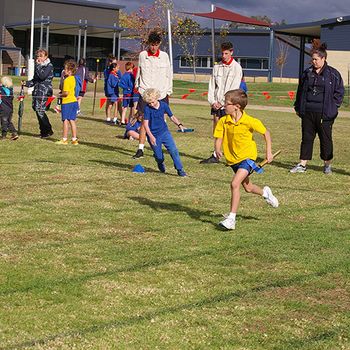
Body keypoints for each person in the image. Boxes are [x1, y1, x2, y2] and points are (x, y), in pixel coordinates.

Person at [214, 89, 279, 230]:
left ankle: (231, 219)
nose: (224, 106)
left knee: (234, 184)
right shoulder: (223, 121)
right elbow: (219, 137)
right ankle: (266, 193)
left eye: (227, 103)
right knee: (248, 188)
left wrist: (269, 152)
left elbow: (266, 133)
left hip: (248, 158)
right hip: (232, 160)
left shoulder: (250, 121)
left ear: (237, 106)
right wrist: (217, 149)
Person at [290, 42, 344, 174]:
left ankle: (327, 165)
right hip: (308, 112)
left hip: (325, 114)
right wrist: (298, 107)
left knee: (325, 139)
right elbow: (300, 90)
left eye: (316, 59)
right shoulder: (307, 73)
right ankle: (302, 165)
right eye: (312, 59)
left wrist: (333, 107)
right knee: (307, 138)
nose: (313, 62)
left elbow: (339, 92)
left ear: (323, 59)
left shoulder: (333, 74)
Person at [133, 30, 173, 159]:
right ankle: (140, 149)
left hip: (160, 94)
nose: (153, 47)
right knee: (144, 120)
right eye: (152, 44)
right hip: (145, 92)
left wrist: (168, 91)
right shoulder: (143, 55)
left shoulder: (165, 56)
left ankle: (159, 148)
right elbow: (139, 72)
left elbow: (168, 74)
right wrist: (138, 87)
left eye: (156, 44)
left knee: (161, 120)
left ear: (159, 44)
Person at [201, 42, 243, 164]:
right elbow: (211, 85)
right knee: (217, 129)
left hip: (229, 105)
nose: (224, 56)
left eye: (226, 53)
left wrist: (223, 103)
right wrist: (213, 101)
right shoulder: (216, 67)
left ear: (231, 52)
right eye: (222, 53)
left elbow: (234, 88)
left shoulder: (236, 68)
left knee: (231, 130)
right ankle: (216, 154)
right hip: (216, 104)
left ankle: (235, 156)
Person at [142, 88, 187, 177]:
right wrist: (151, 137)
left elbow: (172, 117)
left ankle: (180, 169)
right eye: (149, 103)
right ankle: (159, 161)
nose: (151, 104)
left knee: (173, 151)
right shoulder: (147, 109)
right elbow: (145, 125)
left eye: (152, 102)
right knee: (159, 156)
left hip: (164, 132)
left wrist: (180, 125)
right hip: (153, 135)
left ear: (157, 98)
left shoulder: (164, 105)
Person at [23, 49, 54, 138]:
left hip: (44, 92)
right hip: (37, 91)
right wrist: (26, 83)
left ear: (45, 57)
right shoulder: (39, 66)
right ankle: (44, 131)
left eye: (41, 56)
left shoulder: (49, 66)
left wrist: (38, 65)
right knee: (38, 111)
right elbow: (35, 80)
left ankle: (47, 131)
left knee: (40, 111)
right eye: (37, 56)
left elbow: (42, 76)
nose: (38, 58)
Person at [56, 60, 80, 145]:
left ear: (69, 71)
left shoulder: (67, 80)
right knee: (72, 120)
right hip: (74, 101)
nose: (64, 71)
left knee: (65, 120)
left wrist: (59, 95)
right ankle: (74, 139)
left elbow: (65, 93)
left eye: (65, 69)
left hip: (67, 102)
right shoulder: (73, 79)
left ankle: (64, 139)